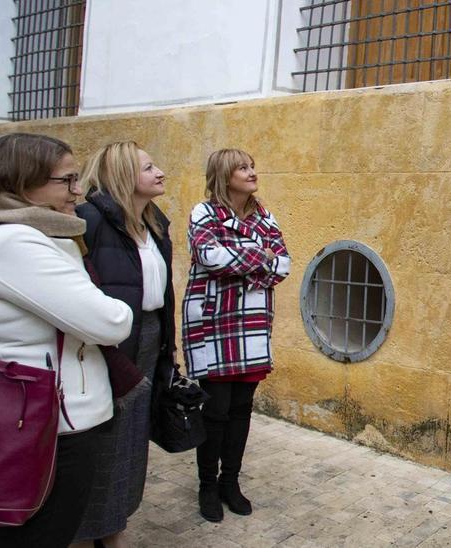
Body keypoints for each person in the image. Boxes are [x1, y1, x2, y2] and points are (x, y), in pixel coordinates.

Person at [0, 133, 134, 547]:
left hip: (20, 415)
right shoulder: (16, 242)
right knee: (42, 535)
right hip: (50, 424)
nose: (78, 190)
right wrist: (112, 305)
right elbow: (111, 321)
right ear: (21, 181)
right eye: (66, 180)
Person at [71, 142, 175, 548]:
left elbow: (160, 291)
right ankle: (84, 533)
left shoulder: (154, 223)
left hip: (148, 337)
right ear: (122, 175)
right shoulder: (91, 220)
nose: (161, 172)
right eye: (149, 167)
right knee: (101, 443)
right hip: (107, 347)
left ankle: (114, 530)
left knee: (131, 443)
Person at [183, 148, 290, 522]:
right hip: (213, 322)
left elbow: (284, 264)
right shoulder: (204, 213)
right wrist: (259, 257)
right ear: (223, 175)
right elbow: (209, 257)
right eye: (242, 168)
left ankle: (230, 481)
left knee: (241, 408)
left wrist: (243, 260)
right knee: (215, 409)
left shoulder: (265, 216)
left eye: (252, 166)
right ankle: (207, 485)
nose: (251, 172)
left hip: (252, 323)